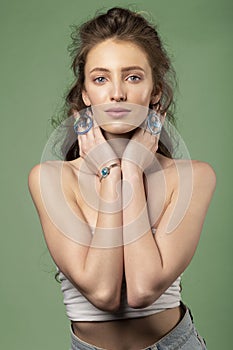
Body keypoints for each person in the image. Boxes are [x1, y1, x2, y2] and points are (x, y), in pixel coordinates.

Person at [28, 7, 216, 350]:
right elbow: (103, 292)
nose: (117, 93)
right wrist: (109, 171)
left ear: (155, 91)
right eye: (101, 79)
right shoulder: (50, 179)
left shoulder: (194, 176)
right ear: (85, 95)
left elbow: (144, 290)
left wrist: (131, 167)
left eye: (132, 77)